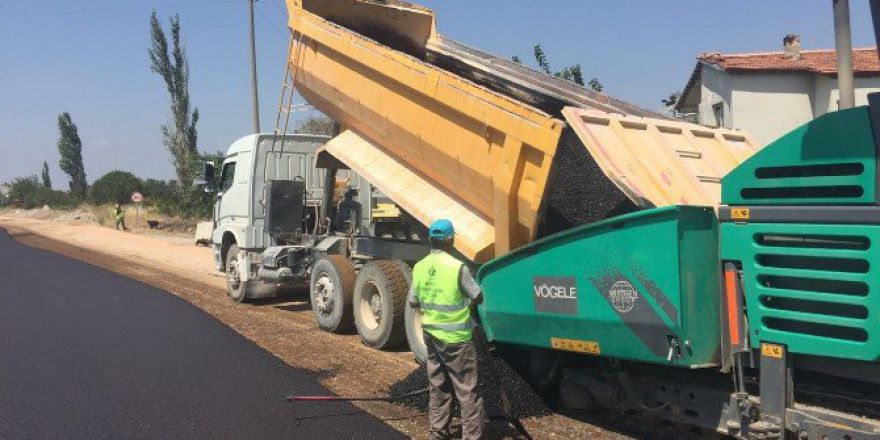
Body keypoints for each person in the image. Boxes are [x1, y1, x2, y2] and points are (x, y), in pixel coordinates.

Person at [408, 219, 485, 440]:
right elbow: (478, 297)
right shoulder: (457, 267)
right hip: (456, 340)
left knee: (438, 386)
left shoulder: (420, 266)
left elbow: (413, 301)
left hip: (431, 336)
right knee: (468, 391)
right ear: (451, 240)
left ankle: (437, 433)